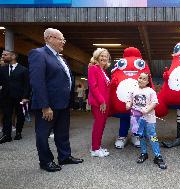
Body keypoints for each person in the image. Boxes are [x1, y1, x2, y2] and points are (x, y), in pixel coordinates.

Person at [28, 28, 83, 172]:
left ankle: (65, 157)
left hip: (63, 104)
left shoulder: (61, 58)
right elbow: (37, 82)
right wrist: (45, 106)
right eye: (61, 39)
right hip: (48, 105)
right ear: (49, 38)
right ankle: (45, 161)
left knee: (62, 132)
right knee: (43, 134)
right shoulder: (38, 54)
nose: (63, 42)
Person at [126, 72, 167, 169]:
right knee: (141, 135)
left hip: (149, 119)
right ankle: (144, 153)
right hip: (137, 118)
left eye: (144, 79)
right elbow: (129, 100)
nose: (141, 80)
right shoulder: (133, 90)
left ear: (148, 81)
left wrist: (147, 109)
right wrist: (128, 104)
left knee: (152, 136)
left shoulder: (151, 91)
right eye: (140, 78)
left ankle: (158, 156)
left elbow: (154, 103)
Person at [0, 50, 30, 143]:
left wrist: (25, 97)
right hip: (6, 97)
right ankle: (6, 135)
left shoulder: (24, 70)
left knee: (20, 115)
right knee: (7, 116)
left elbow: (27, 85)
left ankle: (18, 133)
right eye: (2, 55)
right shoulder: (2, 69)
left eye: (5, 55)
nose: (3, 56)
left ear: (13, 56)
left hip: (20, 97)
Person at [88, 48, 111, 157]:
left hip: (104, 103)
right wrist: (102, 101)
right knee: (98, 125)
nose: (104, 58)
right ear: (97, 57)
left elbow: (105, 87)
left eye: (106, 56)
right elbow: (93, 87)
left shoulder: (103, 71)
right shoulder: (93, 68)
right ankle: (95, 149)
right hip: (99, 103)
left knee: (101, 125)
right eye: (102, 55)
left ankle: (97, 146)